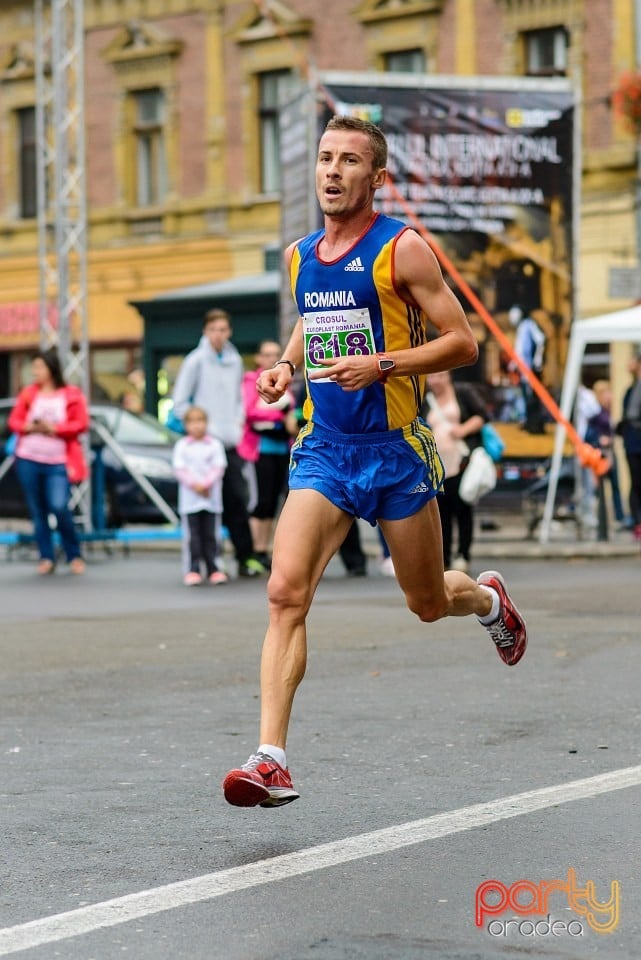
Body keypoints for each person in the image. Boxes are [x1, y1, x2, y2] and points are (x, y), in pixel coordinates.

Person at [222, 116, 527, 809]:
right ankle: (270, 759)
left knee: (425, 602)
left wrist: (383, 363)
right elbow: (312, 318)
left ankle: (484, 599)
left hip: (395, 451)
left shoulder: (403, 249)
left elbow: (462, 342)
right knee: (283, 593)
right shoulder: (301, 256)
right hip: (325, 448)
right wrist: (285, 366)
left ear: (375, 177)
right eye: (325, 158)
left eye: (348, 161)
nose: (331, 170)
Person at [172, 309, 266, 577]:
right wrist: (202, 428)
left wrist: (237, 423)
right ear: (205, 331)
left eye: (223, 329)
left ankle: (245, 558)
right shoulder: (195, 361)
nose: (219, 335)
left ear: (230, 331)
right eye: (214, 329)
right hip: (203, 447)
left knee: (237, 499)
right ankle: (204, 563)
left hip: (230, 443)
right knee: (203, 507)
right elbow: (180, 403)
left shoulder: (235, 360)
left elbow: (239, 398)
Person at [8, 348, 89, 576]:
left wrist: (54, 428)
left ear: (51, 369)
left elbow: (81, 424)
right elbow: (14, 421)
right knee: (37, 509)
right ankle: (46, 556)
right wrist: (31, 426)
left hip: (58, 460)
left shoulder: (70, 394)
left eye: (39, 367)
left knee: (59, 505)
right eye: (33, 367)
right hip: (29, 458)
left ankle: (73, 553)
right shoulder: (28, 394)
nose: (35, 372)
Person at [238, 340, 297, 569]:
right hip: (259, 448)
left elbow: (292, 412)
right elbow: (250, 412)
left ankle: (264, 549)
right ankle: (254, 550)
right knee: (260, 501)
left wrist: (283, 416)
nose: (271, 358)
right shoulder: (251, 380)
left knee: (274, 501)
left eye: (276, 354)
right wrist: (279, 416)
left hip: (282, 447)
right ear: (258, 358)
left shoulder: (282, 379)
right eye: (267, 354)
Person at [424, 371, 488, 573]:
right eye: (432, 376)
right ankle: (444, 557)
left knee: (462, 508)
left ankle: (463, 553)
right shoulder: (426, 399)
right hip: (436, 465)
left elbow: (483, 416)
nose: (436, 380)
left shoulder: (463, 392)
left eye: (440, 375)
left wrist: (463, 429)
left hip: (461, 460)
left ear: (449, 376)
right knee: (441, 512)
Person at [172, 405, 228, 586]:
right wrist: (195, 485)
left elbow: (218, 467)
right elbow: (179, 469)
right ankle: (192, 569)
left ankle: (215, 568)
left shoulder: (214, 445)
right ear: (186, 425)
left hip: (211, 500)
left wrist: (206, 484)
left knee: (212, 534)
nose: (197, 425)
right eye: (192, 421)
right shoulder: (181, 446)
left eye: (200, 420)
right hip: (190, 501)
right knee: (192, 537)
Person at [584, 380, 626, 530]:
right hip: (599, 455)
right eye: (607, 393)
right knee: (596, 488)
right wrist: (599, 439)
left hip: (609, 453)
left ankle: (619, 517)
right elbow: (588, 435)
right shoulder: (597, 413)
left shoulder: (608, 412)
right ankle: (594, 517)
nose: (611, 396)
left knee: (615, 486)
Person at [508, 304, 547, 434]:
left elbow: (541, 340)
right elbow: (520, 350)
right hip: (523, 371)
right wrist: (514, 363)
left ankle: (535, 425)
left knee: (532, 398)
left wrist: (538, 359)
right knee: (526, 397)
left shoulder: (529, 325)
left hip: (530, 370)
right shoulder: (521, 328)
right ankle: (529, 423)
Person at [617, 349, 641, 541]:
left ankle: (637, 522)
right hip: (632, 444)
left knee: (637, 484)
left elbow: (632, 415)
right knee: (636, 484)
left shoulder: (636, 388)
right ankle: (636, 522)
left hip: (636, 443)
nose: (628, 363)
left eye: (632, 359)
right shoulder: (631, 388)